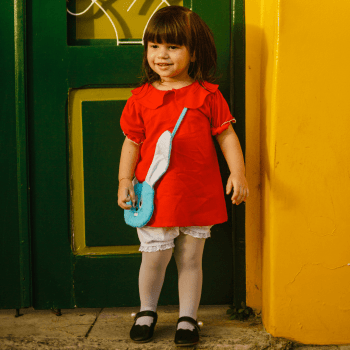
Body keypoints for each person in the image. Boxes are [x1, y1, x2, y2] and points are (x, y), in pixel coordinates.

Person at [117, 5, 249, 347]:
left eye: (173, 47)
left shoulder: (207, 95)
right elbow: (131, 142)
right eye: (154, 46)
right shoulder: (141, 99)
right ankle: (147, 310)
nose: (162, 55)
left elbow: (226, 136)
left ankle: (188, 318)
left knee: (191, 258)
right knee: (155, 256)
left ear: (193, 53)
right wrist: (124, 180)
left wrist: (238, 172)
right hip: (156, 193)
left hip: (196, 191)